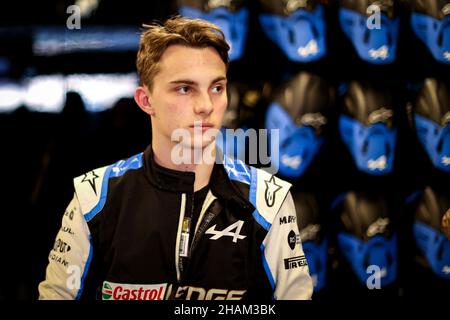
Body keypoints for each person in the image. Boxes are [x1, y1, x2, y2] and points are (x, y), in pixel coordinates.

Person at [38, 16, 313, 300]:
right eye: (185, 88)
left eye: (217, 88)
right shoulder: (94, 196)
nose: (206, 105)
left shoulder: (269, 200)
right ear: (146, 100)